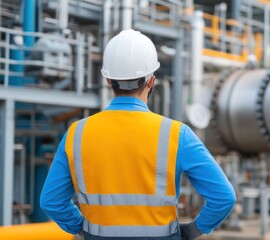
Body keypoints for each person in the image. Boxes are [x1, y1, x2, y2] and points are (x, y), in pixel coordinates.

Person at [40, 29, 236, 240]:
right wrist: (193, 230)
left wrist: (81, 227)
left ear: (108, 80)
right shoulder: (176, 134)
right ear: (151, 81)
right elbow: (224, 197)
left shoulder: (77, 134)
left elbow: (51, 201)